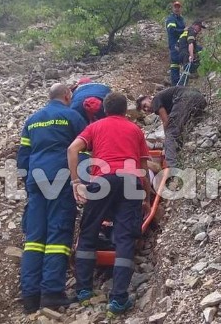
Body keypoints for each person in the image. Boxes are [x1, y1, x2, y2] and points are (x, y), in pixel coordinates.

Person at [67, 92, 152, 318]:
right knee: (125, 237)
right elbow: (143, 168)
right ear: (125, 110)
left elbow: (72, 149)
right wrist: (144, 197)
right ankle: (118, 299)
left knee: (88, 231)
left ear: (105, 109)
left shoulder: (95, 127)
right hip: (130, 181)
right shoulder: (135, 130)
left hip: (102, 180)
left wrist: (76, 181)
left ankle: (84, 290)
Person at [16, 83, 87, 313]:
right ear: (68, 96)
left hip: (36, 181)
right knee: (58, 234)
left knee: (35, 237)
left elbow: (23, 157)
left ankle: (30, 297)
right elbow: (82, 152)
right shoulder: (72, 116)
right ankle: (52, 293)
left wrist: (28, 185)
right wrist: (83, 183)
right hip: (61, 177)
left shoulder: (32, 120)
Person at [136, 87, 207, 168]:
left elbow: (166, 121)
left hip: (185, 99)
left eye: (145, 105)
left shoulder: (155, 100)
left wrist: (167, 138)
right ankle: (178, 149)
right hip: (200, 99)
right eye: (144, 109)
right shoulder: (164, 98)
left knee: (170, 133)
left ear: (149, 98)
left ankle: (171, 167)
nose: (146, 109)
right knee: (178, 128)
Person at [165, 1, 186, 86]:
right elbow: (171, 30)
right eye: (175, 7)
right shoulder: (171, 19)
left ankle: (180, 84)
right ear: (173, 8)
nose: (177, 9)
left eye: (178, 7)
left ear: (181, 9)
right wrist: (183, 31)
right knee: (175, 63)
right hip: (174, 43)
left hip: (181, 44)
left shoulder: (181, 19)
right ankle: (175, 85)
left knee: (181, 62)